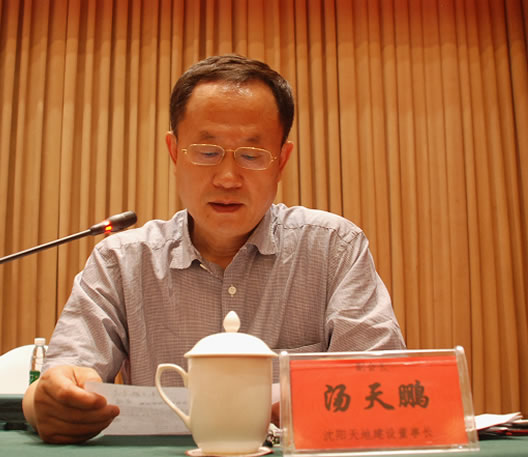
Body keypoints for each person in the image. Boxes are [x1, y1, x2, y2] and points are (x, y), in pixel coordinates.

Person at [22, 54, 405, 443]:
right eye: (207, 152)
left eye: (252, 155)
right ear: (175, 152)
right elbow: (56, 381)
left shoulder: (333, 247)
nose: (227, 178)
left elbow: (381, 381)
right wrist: (49, 400)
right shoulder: (121, 261)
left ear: (281, 161)